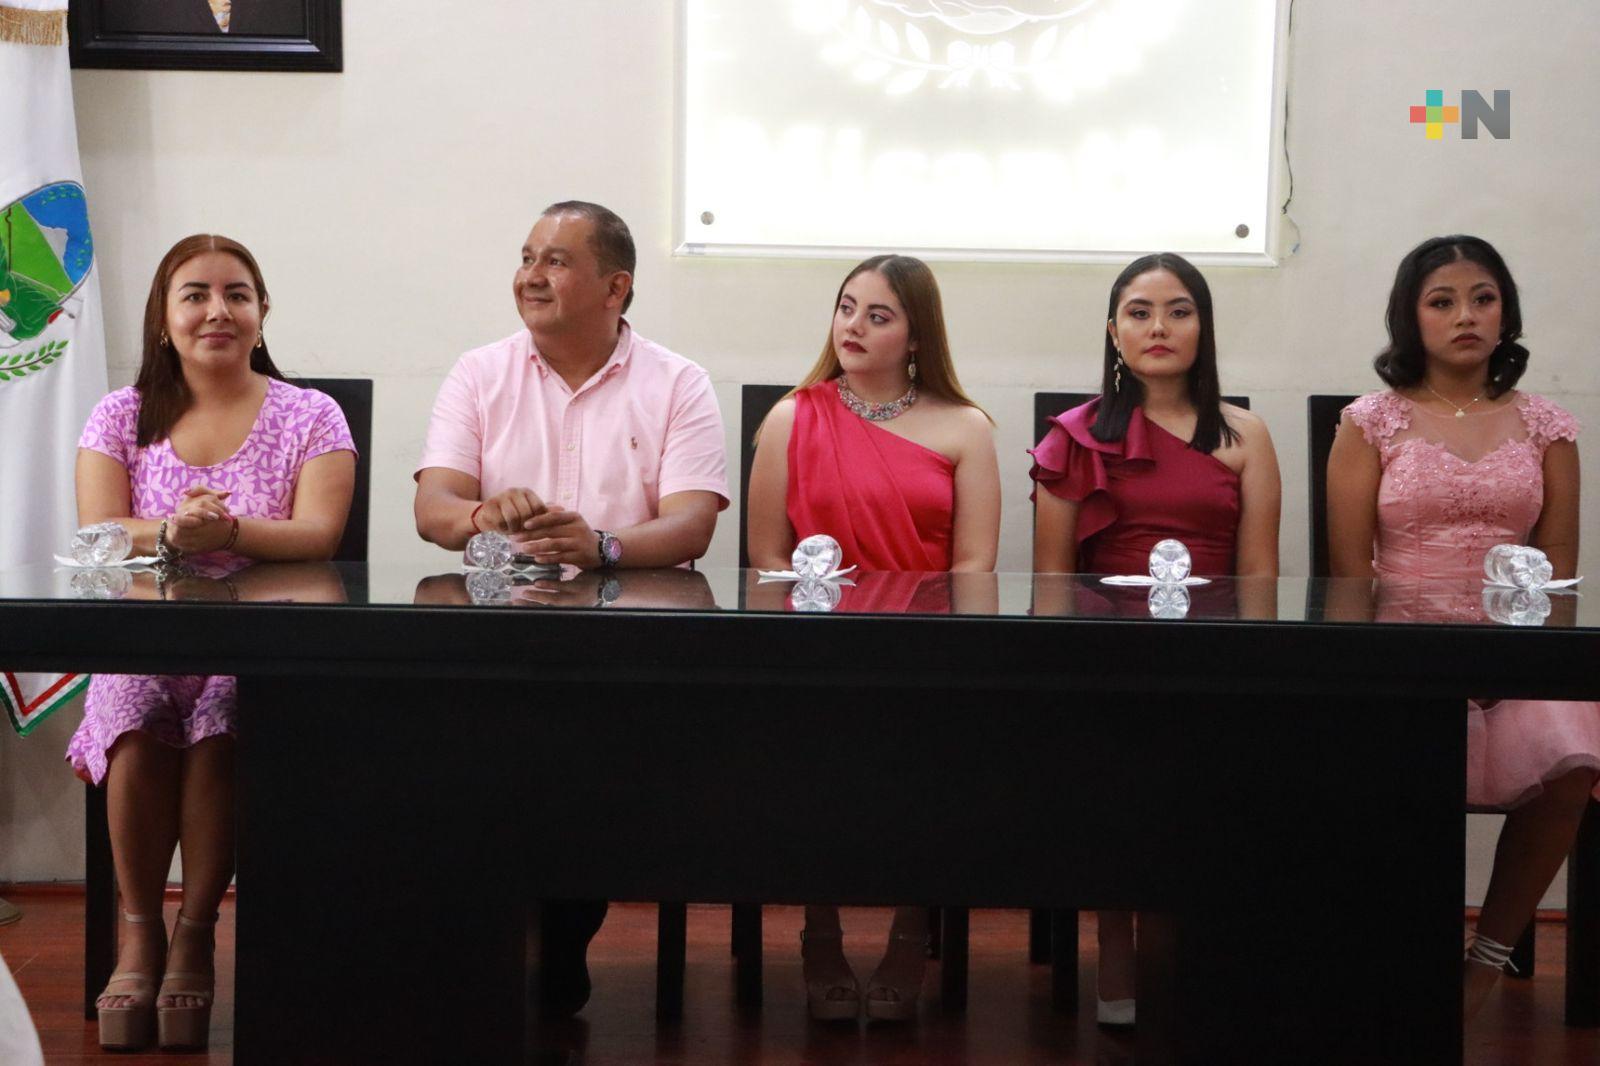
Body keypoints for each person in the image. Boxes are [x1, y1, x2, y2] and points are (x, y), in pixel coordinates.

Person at [413, 200, 729, 1015]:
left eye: (555, 260)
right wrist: (483, 513)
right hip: (501, 637)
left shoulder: (677, 382)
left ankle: (555, 931)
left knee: (578, 753)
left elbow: (693, 522)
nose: (531, 275)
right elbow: (434, 510)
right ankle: (501, 930)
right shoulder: (479, 373)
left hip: (632, 642)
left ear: (616, 287)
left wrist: (603, 547)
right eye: (527, 256)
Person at [69, 234, 356, 1051]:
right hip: (147, 641)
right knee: (133, 713)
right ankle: (139, 934)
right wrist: (171, 529)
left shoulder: (312, 414)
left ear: (263, 313)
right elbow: (98, 531)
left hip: (265, 648)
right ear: (163, 319)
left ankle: (195, 933)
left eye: (237, 294)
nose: (217, 311)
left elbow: (319, 535)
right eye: (194, 294)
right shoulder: (120, 413)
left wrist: (227, 531)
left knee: (225, 722)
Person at [1325, 234, 1600, 1024]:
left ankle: (1485, 959)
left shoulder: (1549, 427)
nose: (1465, 316)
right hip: (1403, 655)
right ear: (1410, 318)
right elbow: (1348, 578)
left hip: (1516, 655)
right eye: (1441, 302)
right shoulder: (1369, 422)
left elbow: (1558, 576)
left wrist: (1508, 662)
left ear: (1505, 312)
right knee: (1375, 754)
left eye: (1482, 298)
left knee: (1575, 752)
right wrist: (1404, 664)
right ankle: (1389, 952)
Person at [746, 254, 1000, 1021]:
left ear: (917, 337)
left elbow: (974, 566)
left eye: (878, 315)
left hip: (924, 652)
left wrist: (936, 656)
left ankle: (909, 934)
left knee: (927, 771)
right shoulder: (793, 416)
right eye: (846, 307)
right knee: (810, 768)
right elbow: (766, 556)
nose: (853, 326)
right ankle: (819, 935)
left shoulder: (965, 427)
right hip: (813, 650)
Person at [1029, 252, 1281, 1027]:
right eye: (1139, 313)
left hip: (1216, 659)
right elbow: (1051, 583)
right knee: (1116, 769)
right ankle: (1115, 946)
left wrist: (1251, 679)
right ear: (1114, 332)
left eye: (1179, 311)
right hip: (1106, 655)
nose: (1159, 327)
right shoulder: (1074, 436)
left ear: (1204, 328)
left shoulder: (1246, 435)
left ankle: (1201, 949)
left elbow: (1260, 577)